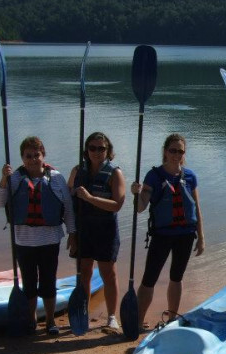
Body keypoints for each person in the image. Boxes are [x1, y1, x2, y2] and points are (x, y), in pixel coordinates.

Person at [0, 136, 76, 335]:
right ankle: (30, 320)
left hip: (49, 240)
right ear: (22, 158)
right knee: (29, 283)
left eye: (36, 155)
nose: (32, 159)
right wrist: (3, 178)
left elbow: (68, 209)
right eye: (28, 156)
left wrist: (72, 233)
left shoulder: (56, 178)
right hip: (23, 241)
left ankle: (49, 321)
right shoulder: (14, 179)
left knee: (48, 282)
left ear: (43, 155)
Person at [130, 133, 205, 328]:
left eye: (180, 151)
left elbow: (196, 207)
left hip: (186, 235)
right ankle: (137, 321)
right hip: (162, 235)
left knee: (176, 276)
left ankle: (172, 318)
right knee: (149, 278)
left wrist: (202, 237)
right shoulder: (153, 176)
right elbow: (140, 207)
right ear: (165, 151)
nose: (176, 155)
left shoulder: (190, 176)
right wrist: (136, 194)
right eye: (173, 150)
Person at [67, 132, 125, 331]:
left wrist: (90, 198)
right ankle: (83, 312)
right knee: (84, 272)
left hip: (105, 229)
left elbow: (117, 204)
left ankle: (111, 316)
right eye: (93, 148)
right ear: (86, 150)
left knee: (108, 273)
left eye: (102, 148)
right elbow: (68, 202)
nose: (97, 152)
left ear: (108, 151)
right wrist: (71, 234)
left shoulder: (114, 173)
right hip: (84, 229)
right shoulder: (77, 171)